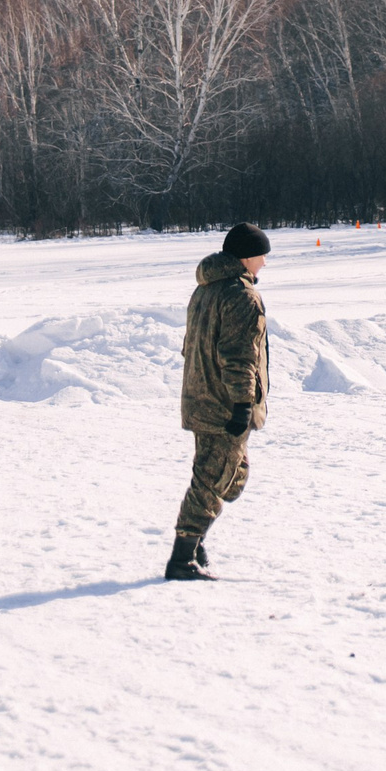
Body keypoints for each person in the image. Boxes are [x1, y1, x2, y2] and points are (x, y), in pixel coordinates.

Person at [169, 223, 272, 580]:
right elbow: (239, 355)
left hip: (201, 399)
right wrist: (243, 404)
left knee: (233, 476)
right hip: (224, 405)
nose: (264, 262)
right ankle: (182, 558)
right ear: (246, 256)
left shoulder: (205, 291)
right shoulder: (241, 296)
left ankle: (195, 539)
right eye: (261, 255)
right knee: (211, 482)